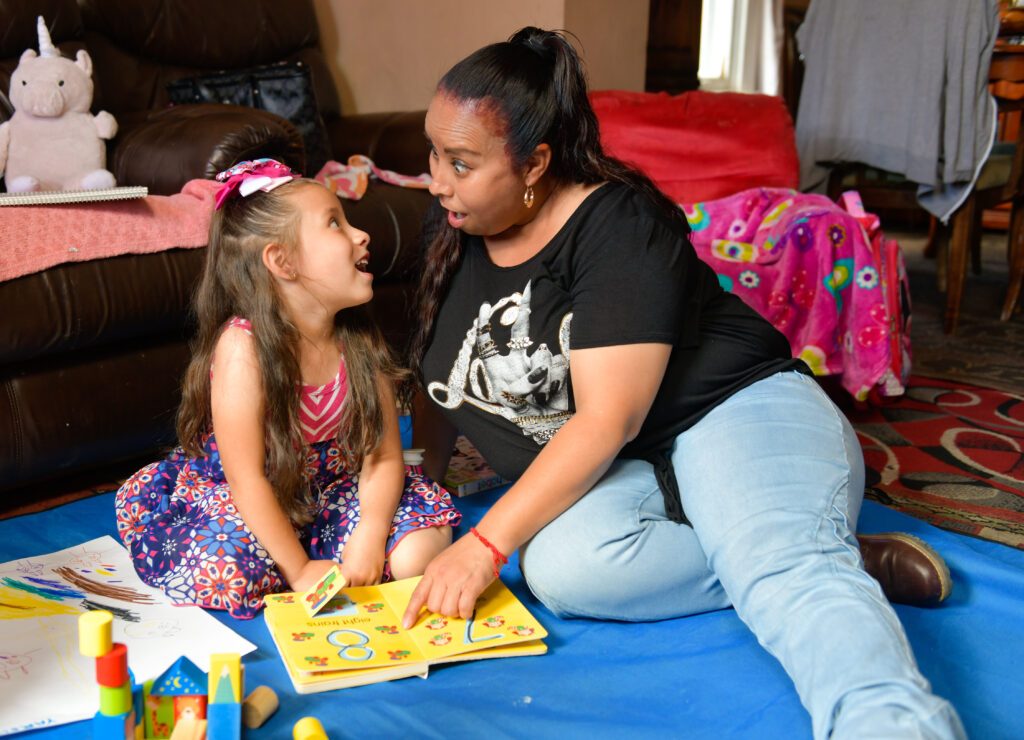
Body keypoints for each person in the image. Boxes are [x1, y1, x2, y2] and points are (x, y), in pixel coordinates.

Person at [400, 28, 964, 739]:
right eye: (432, 153)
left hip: (732, 409)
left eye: (460, 161)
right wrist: (428, 479)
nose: (436, 178)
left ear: (536, 162)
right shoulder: (458, 219)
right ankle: (817, 547)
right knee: (563, 570)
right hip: (633, 470)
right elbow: (441, 372)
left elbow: (606, 419)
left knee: (784, 575)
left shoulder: (618, 225)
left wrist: (483, 547)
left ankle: (825, 604)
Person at [115, 159, 460, 619]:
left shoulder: (357, 339)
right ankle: (295, 556)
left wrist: (371, 537)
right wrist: (298, 570)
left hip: (336, 489)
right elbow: (246, 479)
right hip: (253, 497)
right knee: (229, 568)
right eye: (335, 223)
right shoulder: (243, 348)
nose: (361, 235)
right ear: (282, 261)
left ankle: (333, 547)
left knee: (415, 556)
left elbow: (382, 458)